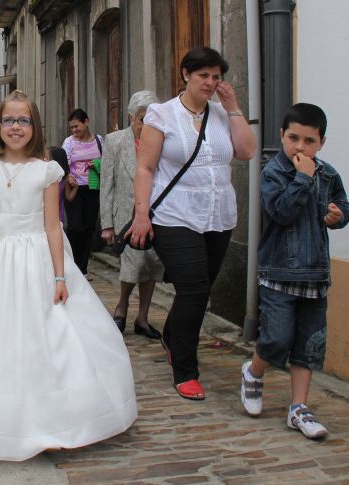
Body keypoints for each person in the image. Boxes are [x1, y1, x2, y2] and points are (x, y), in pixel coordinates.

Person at [0, 90, 137, 462]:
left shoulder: (47, 170)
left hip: (36, 257)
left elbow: (53, 228)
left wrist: (60, 276)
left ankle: (51, 416)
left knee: (47, 337)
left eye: (23, 120)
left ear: (34, 127)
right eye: (8, 120)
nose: (15, 127)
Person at [128, 47, 256, 400]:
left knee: (199, 289)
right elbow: (145, 168)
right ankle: (185, 369)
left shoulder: (221, 114)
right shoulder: (161, 115)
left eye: (216, 77)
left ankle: (173, 334)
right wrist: (142, 214)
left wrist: (233, 109)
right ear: (186, 74)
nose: (211, 83)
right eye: (204, 76)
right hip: (174, 215)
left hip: (218, 215)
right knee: (194, 288)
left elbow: (246, 151)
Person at [240, 103, 349, 439]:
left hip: (315, 274)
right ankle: (254, 372)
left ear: (321, 142)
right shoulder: (273, 172)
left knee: (309, 345)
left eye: (309, 140)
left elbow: (344, 206)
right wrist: (303, 177)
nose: (300, 147)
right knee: (275, 339)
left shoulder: (329, 175)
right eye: (293, 138)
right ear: (281, 136)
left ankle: (299, 408)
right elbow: (282, 212)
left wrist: (338, 215)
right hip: (278, 273)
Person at [100, 91, 164, 339]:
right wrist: (107, 224)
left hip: (156, 213)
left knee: (152, 265)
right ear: (130, 117)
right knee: (132, 266)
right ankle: (122, 306)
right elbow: (107, 184)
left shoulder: (163, 140)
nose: (146, 124)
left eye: (152, 119)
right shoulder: (115, 141)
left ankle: (143, 318)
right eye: (141, 119)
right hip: (125, 215)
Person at [62, 108, 104, 280]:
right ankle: (73, 264)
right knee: (75, 227)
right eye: (71, 128)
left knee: (88, 228)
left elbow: (108, 162)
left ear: (86, 122)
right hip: (75, 189)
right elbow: (64, 164)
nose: (74, 131)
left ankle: (83, 268)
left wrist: (98, 165)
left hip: (93, 188)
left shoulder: (99, 141)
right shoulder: (69, 143)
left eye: (76, 126)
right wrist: (69, 178)